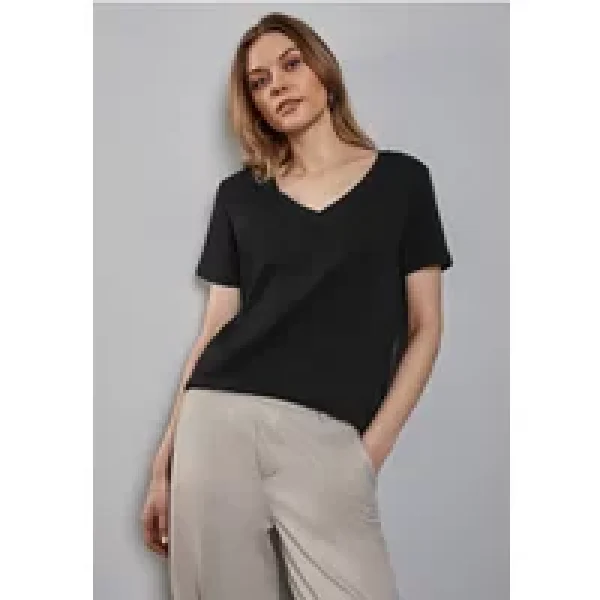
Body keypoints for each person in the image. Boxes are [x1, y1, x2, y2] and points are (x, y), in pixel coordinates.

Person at [142, 11, 453, 600]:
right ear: (253, 104)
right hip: (216, 424)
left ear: (323, 72)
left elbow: (427, 327)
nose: (278, 86)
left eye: (291, 65)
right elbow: (214, 329)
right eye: (259, 82)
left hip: (327, 438)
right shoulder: (240, 195)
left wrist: (369, 453)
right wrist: (164, 465)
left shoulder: (403, 182)